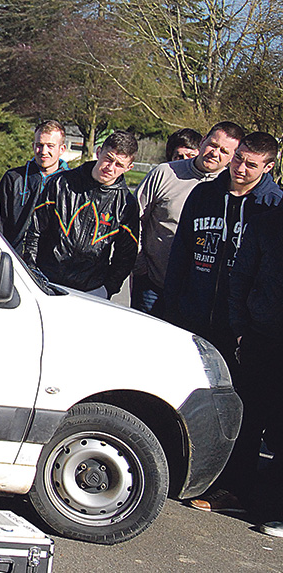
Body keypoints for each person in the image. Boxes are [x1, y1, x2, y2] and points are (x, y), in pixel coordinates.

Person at [162, 132, 282, 512]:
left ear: (268, 167)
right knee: (190, 398)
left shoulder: (272, 206)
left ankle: (233, 486)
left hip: (245, 327)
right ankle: (177, 469)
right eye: (239, 159)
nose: (241, 168)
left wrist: (247, 322)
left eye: (251, 163)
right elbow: (180, 253)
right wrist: (171, 308)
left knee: (243, 410)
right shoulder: (205, 194)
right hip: (196, 312)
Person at [131, 122, 245, 315]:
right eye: (213, 145)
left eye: (224, 151)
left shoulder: (231, 189)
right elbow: (133, 218)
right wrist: (140, 265)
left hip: (197, 293)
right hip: (153, 283)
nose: (215, 153)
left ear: (233, 157)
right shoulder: (165, 173)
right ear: (202, 141)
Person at [23, 130, 140, 299]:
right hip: (46, 280)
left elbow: (126, 255)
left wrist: (107, 289)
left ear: (129, 168)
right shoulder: (61, 183)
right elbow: (34, 231)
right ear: (99, 152)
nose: (110, 168)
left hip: (91, 289)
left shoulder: (126, 204)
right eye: (108, 158)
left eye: (119, 165)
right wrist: (31, 270)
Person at [227, 205, 283, 531]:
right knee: (250, 420)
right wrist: (240, 328)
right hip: (261, 337)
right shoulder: (266, 224)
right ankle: (239, 494)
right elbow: (242, 277)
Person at [0, 119, 69, 249]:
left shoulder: (71, 184)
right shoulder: (13, 178)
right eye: (39, 145)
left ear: (62, 149)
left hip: (52, 266)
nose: (43, 151)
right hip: (16, 259)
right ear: (33, 146)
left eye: (50, 146)